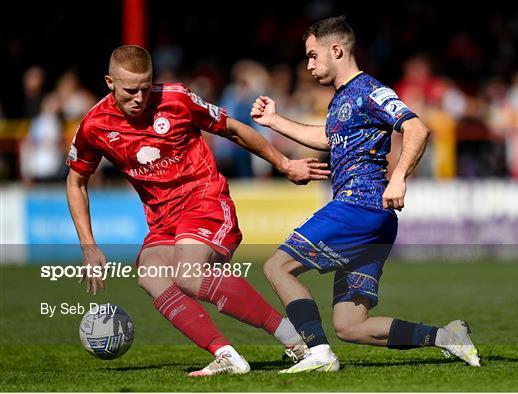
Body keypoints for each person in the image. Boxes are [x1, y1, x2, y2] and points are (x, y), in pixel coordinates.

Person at [66, 45, 331, 376]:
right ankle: (226, 355)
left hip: (205, 200)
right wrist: (88, 246)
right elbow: (76, 182)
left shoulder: (177, 99)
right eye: (130, 90)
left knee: (188, 274)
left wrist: (285, 163)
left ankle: (296, 341)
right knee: (150, 274)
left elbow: (233, 129)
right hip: (164, 220)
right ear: (109, 82)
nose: (139, 98)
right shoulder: (95, 125)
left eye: (146, 88)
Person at [250, 16, 481, 373]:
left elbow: (416, 127)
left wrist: (399, 176)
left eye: (313, 56)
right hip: (374, 219)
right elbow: (327, 140)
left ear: (336, 50)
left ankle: (318, 353)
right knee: (350, 325)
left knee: (277, 266)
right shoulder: (341, 100)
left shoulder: (370, 90)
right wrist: (275, 122)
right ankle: (446, 337)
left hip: (359, 205)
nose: (308, 65)